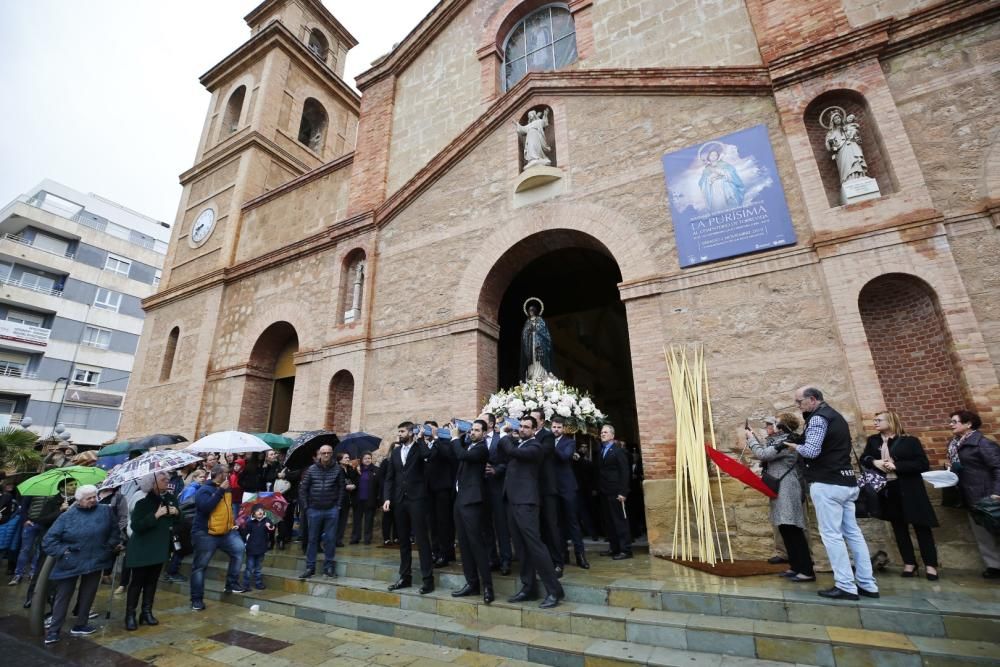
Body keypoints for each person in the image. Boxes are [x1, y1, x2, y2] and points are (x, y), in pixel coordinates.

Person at [788, 386, 877, 600]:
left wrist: (792, 445)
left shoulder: (819, 418)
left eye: (799, 401)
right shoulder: (836, 416)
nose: (798, 405)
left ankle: (846, 585)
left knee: (832, 535)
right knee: (853, 534)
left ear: (812, 399)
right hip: (846, 480)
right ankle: (867, 584)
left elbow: (812, 450)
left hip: (827, 482)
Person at [860, 411, 939, 580]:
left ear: (891, 421)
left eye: (879, 420)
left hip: (910, 488)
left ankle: (931, 565)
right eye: (874, 420)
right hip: (888, 489)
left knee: (921, 526)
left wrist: (897, 466)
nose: (875, 423)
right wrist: (875, 462)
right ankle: (909, 563)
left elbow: (922, 464)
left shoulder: (910, 441)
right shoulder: (874, 440)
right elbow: (864, 458)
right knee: (899, 527)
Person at [40, 484, 120, 644]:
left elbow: (114, 530)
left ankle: (81, 624)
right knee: (63, 596)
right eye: (88, 498)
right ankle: (54, 630)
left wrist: (109, 546)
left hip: (96, 559)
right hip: (71, 562)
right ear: (79, 500)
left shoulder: (105, 511)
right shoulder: (67, 516)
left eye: (94, 496)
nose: (93, 500)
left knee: (88, 594)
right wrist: (64, 551)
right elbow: (48, 540)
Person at [502, 415, 563, 609]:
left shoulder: (535, 447)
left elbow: (510, 450)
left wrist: (503, 435)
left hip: (526, 502)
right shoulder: (519, 445)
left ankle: (554, 590)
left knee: (535, 546)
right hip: (512, 502)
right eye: (520, 426)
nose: (522, 429)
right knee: (521, 548)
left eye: (526, 427)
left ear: (534, 430)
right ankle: (529, 588)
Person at [746, 414, 814, 582]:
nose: (769, 427)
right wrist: (753, 437)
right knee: (785, 527)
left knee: (793, 528)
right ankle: (795, 567)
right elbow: (767, 452)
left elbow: (764, 454)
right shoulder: (779, 441)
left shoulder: (787, 442)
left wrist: (750, 439)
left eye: (772, 424)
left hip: (787, 487)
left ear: (781, 426)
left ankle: (806, 570)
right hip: (780, 487)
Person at [382, 422, 437, 594]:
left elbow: (428, 455)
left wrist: (420, 439)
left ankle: (428, 580)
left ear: (411, 432)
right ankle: (405, 577)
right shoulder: (396, 451)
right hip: (399, 501)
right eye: (399, 431)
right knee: (403, 540)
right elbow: (390, 477)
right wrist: (387, 498)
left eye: (403, 431)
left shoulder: (419, 448)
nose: (400, 434)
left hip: (417, 499)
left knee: (421, 539)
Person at [947, 409, 1000, 579]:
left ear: (968, 424)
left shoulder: (982, 443)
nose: (951, 424)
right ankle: (994, 566)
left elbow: (997, 468)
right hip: (969, 495)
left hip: (987, 494)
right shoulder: (955, 444)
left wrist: (997, 493)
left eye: (955, 421)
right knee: (982, 534)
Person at [124, 472, 179, 630]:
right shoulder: (142, 501)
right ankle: (130, 614)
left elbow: (178, 520)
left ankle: (146, 612)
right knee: (137, 582)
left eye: (167, 479)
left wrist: (177, 513)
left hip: (159, 547)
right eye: (163, 480)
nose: (167, 481)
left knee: (152, 581)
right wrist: (156, 515)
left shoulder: (169, 498)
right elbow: (136, 526)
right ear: (153, 483)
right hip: (142, 548)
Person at [448, 420, 494, 604]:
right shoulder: (468, 445)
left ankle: (488, 587)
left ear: (484, 432)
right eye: (471, 430)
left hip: (473, 500)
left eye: (476, 430)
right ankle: (472, 583)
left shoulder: (481, 449)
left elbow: (461, 455)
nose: (472, 432)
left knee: (476, 544)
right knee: (464, 545)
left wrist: (453, 439)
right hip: (460, 500)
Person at [189, 464, 246, 611]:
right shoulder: (204, 489)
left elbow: (227, 509)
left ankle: (231, 583)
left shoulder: (227, 489)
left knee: (239, 549)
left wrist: (232, 522)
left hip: (225, 532)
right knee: (200, 566)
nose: (229, 475)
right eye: (226, 473)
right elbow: (206, 508)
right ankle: (196, 599)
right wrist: (220, 491)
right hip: (205, 533)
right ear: (218, 474)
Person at [11, 479, 76, 588]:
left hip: (51, 531)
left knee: (38, 553)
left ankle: (33, 573)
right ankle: (18, 574)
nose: (74, 487)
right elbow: (25, 506)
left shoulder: (70, 500)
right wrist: (26, 520)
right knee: (26, 549)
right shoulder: (36, 490)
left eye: (75, 485)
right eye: (71, 485)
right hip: (32, 522)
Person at [298, 444, 346, 579]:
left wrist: (338, 506)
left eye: (328, 453)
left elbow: (341, 488)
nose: (325, 455)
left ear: (332, 454)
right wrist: (306, 507)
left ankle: (329, 567)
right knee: (312, 540)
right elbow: (303, 490)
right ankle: (310, 567)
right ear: (319, 454)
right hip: (314, 509)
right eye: (323, 453)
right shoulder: (311, 470)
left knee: (330, 540)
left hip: (331, 509)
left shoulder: (337, 469)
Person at [552, 416, 589, 569]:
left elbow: (564, 456)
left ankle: (580, 556)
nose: (556, 430)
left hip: (567, 487)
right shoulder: (546, 441)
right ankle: (562, 555)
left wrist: (549, 447)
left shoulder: (569, 442)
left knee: (572, 522)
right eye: (554, 427)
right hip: (553, 488)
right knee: (557, 524)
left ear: (564, 428)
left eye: (559, 428)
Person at [531, 408, 564, 575]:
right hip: (533, 489)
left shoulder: (547, 436)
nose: (530, 421)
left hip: (547, 488)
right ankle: (543, 562)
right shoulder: (528, 436)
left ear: (542, 422)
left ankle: (558, 562)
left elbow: (542, 452)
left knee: (551, 525)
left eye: (534, 419)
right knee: (538, 528)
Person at [424, 421, 456, 567]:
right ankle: (435, 552)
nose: (429, 431)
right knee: (432, 523)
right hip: (429, 489)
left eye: (431, 428)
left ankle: (446, 553)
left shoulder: (445, 442)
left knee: (444, 522)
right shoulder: (426, 444)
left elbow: (448, 455)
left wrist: (437, 438)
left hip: (443, 488)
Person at [597, 425, 632, 560]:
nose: (602, 434)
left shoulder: (618, 451)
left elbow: (624, 472)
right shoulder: (601, 450)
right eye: (601, 432)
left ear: (612, 435)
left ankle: (626, 550)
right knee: (609, 522)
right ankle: (614, 547)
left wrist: (623, 492)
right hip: (605, 491)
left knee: (619, 521)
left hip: (616, 491)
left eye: (605, 432)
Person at [483, 414, 512, 575]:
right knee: (486, 526)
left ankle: (506, 559)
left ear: (491, 423)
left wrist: (496, 470)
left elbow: (507, 461)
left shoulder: (500, 438)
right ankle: (491, 558)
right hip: (481, 488)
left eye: (482, 419)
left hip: (497, 487)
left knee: (501, 525)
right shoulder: (475, 438)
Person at [824, 109, 868, 183]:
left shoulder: (848, 127)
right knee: (846, 164)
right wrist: (831, 144)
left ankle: (860, 176)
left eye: (838, 118)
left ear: (841, 118)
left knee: (856, 160)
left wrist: (855, 137)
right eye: (835, 119)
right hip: (841, 150)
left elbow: (857, 137)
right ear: (833, 121)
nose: (837, 120)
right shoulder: (831, 133)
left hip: (852, 146)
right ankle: (848, 179)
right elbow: (828, 146)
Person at [698, 147, 745, 212]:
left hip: (725, 185)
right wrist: (709, 179)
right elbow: (702, 182)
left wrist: (722, 172)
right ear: (708, 157)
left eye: (715, 155)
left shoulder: (724, 164)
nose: (713, 156)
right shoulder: (706, 169)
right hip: (714, 189)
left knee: (729, 196)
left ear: (718, 156)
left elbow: (731, 171)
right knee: (718, 205)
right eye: (711, 155)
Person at [240, 503, 275, 589]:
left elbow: (271, 531)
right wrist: (240, 528)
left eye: (261, 510)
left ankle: (258, 583)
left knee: (258, 568)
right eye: (257, 511)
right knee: (249, 568)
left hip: (261, 549)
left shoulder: (267, 520)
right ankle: (246, 584)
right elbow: (244, 533)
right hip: (251, 549)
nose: (260, 512)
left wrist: (270, 527)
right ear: (253, 513)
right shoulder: (250, 522)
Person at [520, 301, 554, 381]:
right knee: (531, 357)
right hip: (530, 343)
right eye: (529, 311)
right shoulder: (527, 321)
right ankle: (532, 375)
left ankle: (541, 374)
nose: (530, 312)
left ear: (535, 311)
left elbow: (544, 332)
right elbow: (524, 333)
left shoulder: (540, 320)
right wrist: (528, 330)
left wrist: (536, 329)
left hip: (539, 342)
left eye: (532, 310)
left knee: (539, 357)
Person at [351, 452, 379, 545]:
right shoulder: (357, 470)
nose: (367, 460)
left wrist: (378, 500)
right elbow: (352, 481)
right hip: (358, 499)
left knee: (369, 520)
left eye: (369, 458)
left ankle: (367, 539)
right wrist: (356, 471)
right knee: (357, 520)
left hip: (370, 499)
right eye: (365, 458)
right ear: (361, 460)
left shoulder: (376, 470)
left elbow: (379, 486)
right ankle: (355, 538)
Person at [335, 452, 358, 548]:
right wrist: (346, 486)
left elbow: (356, 479)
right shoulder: (336, 469)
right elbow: (335, 483)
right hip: (339, 498)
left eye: (348, 457)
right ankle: (334, 539)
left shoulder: (349, 469)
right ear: (340, 460)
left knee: (343, 520)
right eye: (346, 458)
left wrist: (354, 485)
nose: (348, 459)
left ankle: (338, 540)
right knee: (336, 520)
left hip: (348, 499)